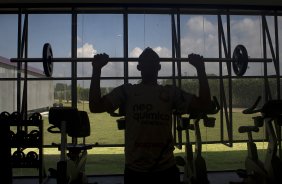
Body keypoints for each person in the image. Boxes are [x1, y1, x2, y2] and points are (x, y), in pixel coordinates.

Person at [89, 47, 212, 184]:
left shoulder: (171, 93)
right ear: (139, 67)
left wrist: (201, 69)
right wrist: (96, 69)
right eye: (146, 62)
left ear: (158, 67)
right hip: (137, 171)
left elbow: (204, 104)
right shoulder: (127, 91)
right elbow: (95, 107)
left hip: (164, 170)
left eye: (151, 62)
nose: (149, 65)